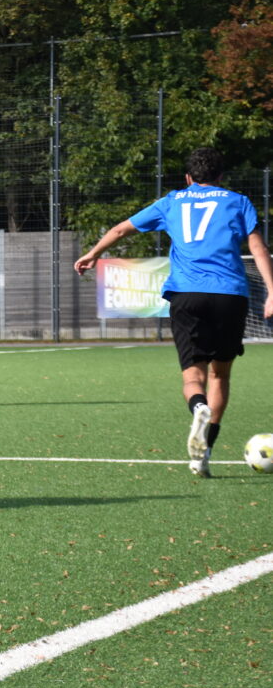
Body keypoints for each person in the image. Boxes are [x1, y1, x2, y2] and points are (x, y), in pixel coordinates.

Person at [74, 147, 273, 477]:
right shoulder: (238, 201)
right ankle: (204, 453)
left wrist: (93, 253)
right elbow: (257, 246)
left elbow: (121, 229)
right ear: (221, 176)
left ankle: (198, 407)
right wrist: (271, 291)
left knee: (192, 376)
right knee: (220, 375)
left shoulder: (172, 201)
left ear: (188, 177)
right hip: (229, 294)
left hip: (187, 294)